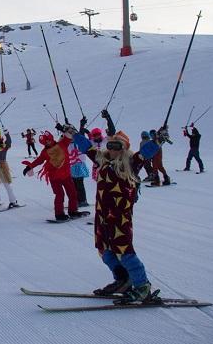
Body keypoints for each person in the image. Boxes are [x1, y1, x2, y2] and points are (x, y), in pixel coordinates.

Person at [76, 110, 159, 303]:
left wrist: (158, 141)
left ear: (123, 148)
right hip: (102, 215)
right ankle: (123, 280)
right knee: (105, 251)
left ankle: (142, 286)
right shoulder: (102, 160)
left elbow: (145, 153)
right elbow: (86, 147)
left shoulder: (130, 162)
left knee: (124, 251)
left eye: (116, 146)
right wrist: (74, 134)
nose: (112, 149)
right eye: (110, 145)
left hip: (120, 216)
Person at [22, 125, 84, 221]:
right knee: (60, 195)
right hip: (55, 178)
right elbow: (38, 161)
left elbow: (70, 134)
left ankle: (73, 211)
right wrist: (29, 167)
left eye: (49, 140)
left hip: (66, 175)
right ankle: (59, 214)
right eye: (45, 142)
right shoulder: (45, 152)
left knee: (72, 193)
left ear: (51, 138)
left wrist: (64, 129)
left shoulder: (62, 143)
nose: (48, 142)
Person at [69, 117, 91, 207]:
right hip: (71, 166)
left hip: (80, 165)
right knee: (74, 184)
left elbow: (81, 135)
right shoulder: (68, 143)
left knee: (79, 183)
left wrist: (82, 125)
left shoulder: (79, 141)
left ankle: (83, 200)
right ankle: (78, 200)